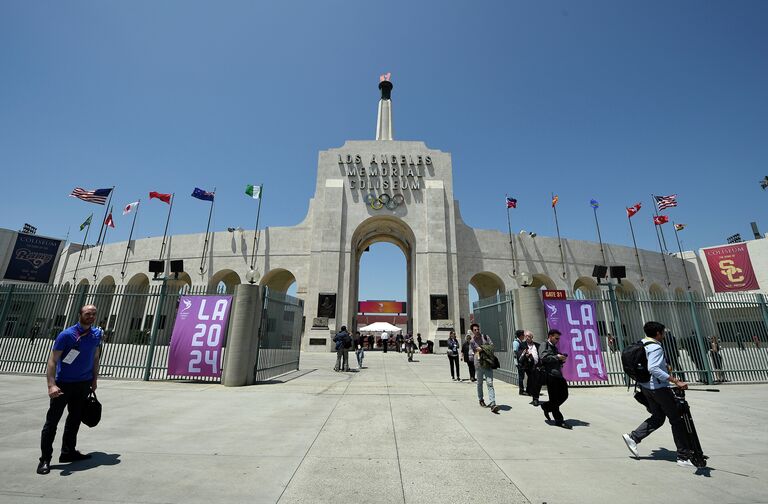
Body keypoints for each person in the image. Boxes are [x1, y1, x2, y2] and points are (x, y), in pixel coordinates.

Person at [37, 304, 102, 475]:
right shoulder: (66, 335)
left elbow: (95, 357)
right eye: (88, 314)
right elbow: (52, 361)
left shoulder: (96, 334)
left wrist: (94, 379)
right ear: (80, 314)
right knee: (52, 422)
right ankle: (45, 459)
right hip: (63, 384)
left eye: (94, 314)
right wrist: (51, 384)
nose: (91, 317)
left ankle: (68, 452)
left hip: (83, 384)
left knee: (74, 420)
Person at [622, 321, 696, 467]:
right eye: (663, 332)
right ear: (658, 333)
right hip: (659, 388)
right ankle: (683, 456)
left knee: (658, 417)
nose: (664, 335)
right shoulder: (655, 347)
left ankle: (633, 437)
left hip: (646, 387)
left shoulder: (642, 343)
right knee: (677, 419)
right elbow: (654, 368)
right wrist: (676, 381)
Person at [539, 329, 571, 429]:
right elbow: (543, 357)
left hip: (558, 375)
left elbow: (554, 359)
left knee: (564, 395)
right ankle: (559, 420)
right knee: (554, 398)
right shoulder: (544, 345)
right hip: (550, 375)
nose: (557, 340)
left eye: (558, 338)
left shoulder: (554, 347)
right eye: (556, 338)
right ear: (550, 336)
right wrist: (557, 357)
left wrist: (561, 359)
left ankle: (546, 406)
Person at [470, 323, 499, 413]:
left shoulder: (485, 337)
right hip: (478, 364)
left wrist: (482, 348)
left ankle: (493, 403)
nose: (477, 331)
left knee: (490, 383)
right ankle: (481, 399)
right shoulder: (472, 341)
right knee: (479, 383)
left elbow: (492, 346)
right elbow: (473, 352)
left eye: (478, 329)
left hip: (487, 363)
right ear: (472, 331)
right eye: (475, 330)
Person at [520, 331, 542, 407]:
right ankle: (535, 398)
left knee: (537, 381)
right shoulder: (522, 345)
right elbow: (519, 354)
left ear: (532, 337)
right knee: (533, 380)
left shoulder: (537, 345)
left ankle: (531, 392)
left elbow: (541, 354)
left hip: (537, 366)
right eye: (525, 336)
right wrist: (525, 355)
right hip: (528, 366)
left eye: (528, 336)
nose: (527, 337)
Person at [513, 329, 527, 395]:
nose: (524, 336)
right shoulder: (516, 342)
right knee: (521, 376)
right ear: (520, 336)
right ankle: (521, 390)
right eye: (523, 335)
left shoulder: (520, 341)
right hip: (519, 361)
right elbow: (515, 351)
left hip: (522, 361)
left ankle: (522, 389)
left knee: (522, 376)